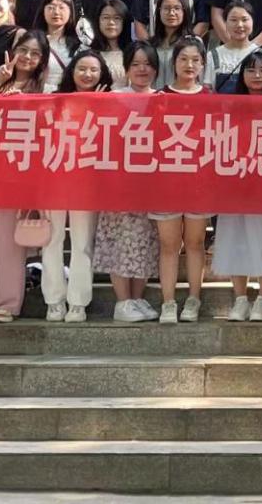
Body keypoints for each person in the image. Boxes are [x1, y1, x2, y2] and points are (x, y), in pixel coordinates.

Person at [0, 30, 48, 322]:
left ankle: (7, 303)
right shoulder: (0, 81)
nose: (27, 57)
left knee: (9, 241)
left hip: (17, 173)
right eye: (23, 50)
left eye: (35, 53)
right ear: (13, 51)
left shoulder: (44, 89)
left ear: (42, 60)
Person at [41, 51, 113, 322]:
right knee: (52, 240)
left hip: (87, 181)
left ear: (102, 74)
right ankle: (54, 300)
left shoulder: (108, 101)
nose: (87, 74)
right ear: (71, 71)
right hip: (54, 179)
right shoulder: (54, 99)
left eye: (94, 70)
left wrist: (100, 105)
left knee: (82, 242)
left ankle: (78, 302)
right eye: (82, 68)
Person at [96, 41, 162, 322]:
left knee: (145, 242)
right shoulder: (113, 97)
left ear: (156, 69)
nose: (142, 69)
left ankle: (137, 299)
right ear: (126, 69)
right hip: (118, 182)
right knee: (121, 243)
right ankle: (122, 302)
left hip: (152, 182)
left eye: (147, 64)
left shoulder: (163, 98)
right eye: (135, 64)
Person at [216, 49, 262, 322]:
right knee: (235, 239)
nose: (257, 76)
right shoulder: (230, 105)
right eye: (251, 70)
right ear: (241, 75)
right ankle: (240, 299)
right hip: (235, 182)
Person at [151, 36, 213, 323]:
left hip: (200, 183)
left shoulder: (210, 98)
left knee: (196, 243)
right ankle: (168, 302)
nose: (189, 65)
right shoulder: (159, 97)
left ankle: (193, 299)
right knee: (168, 244)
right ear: (173, 62)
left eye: (195, 60)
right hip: (166, 183)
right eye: (183, 59)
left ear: (203, 64)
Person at [33, 0, 83, 92]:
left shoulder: (79, 45)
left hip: (68, 97)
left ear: (70, 11)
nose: (56, 12)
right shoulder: (34, 41)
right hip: (39, 95)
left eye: (61, 7)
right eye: (51, 7)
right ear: (43, 11)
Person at [205, 0, 260, 90]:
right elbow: (207, 89)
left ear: (252, 22)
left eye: (244, 20)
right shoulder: (213, 55)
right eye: (233, 20)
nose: (239, 25)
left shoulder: (261, 54)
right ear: (225, 23)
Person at [149, 0, 195, 90]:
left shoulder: (193, 43)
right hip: (154, 97)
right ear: (159, 11)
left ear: (184, 11)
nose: (171, 13)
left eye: (177, 8)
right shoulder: (150, 44)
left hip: (181, 96)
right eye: (166, 8)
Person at [90, 0, 131, 80]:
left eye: (117, 18)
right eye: (106, 17)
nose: (111, 22)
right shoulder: (88, 54)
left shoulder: (133, 53)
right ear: (98, 21)